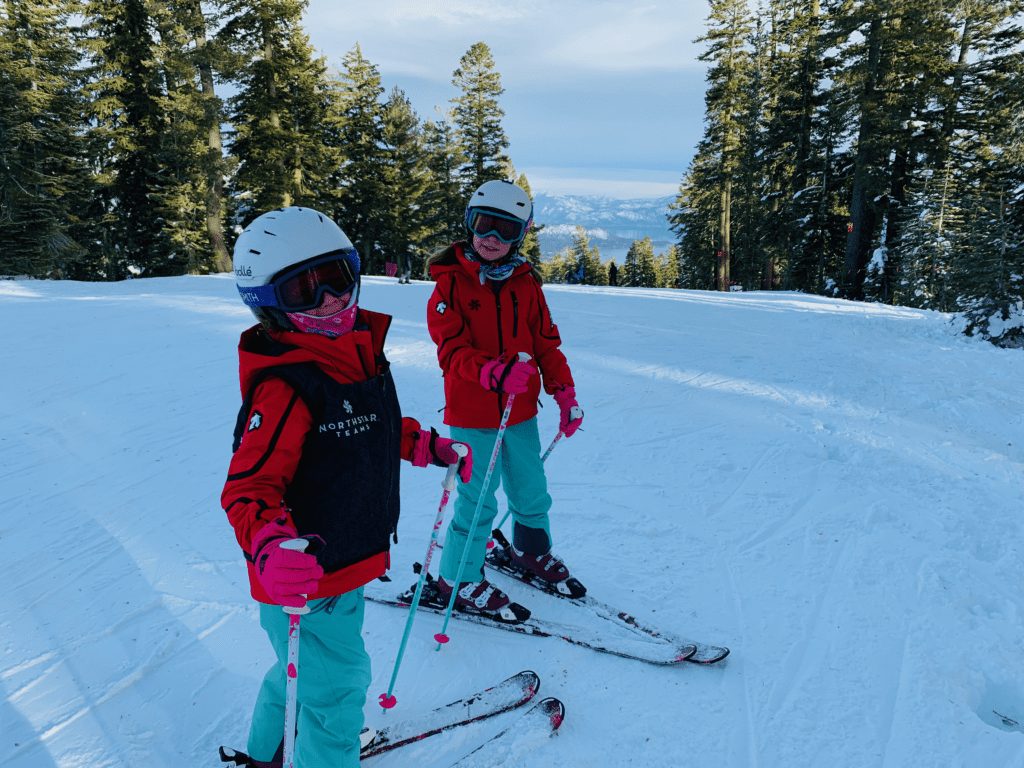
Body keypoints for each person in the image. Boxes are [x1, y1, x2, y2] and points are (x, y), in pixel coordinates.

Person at [223, 206, 472, 768]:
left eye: (337, 278)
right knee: (336, 693)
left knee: (302, 673)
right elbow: (247, 488)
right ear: (268, 302)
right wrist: (269, 546)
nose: (331, 299)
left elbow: (368, 424)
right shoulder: (288, 387)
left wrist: (424, 444)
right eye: (304, 290)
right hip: (304, 578)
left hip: (344, 562)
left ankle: (267, 754)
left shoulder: (353, 353)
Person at [425, 180, 585, 623]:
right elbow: (451, 352)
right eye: (484, 224)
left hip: (521, 411)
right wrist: (492, 373)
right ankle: (457, 578)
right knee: (478, 500)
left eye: (506, 229)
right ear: (469, 224)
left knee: (530, 488)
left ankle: (529, 551)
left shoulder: (526, 284)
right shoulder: (448, 286)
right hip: (472, 414)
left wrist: (564, 392)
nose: (492, 237)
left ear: (521, 234)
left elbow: (546, 344)